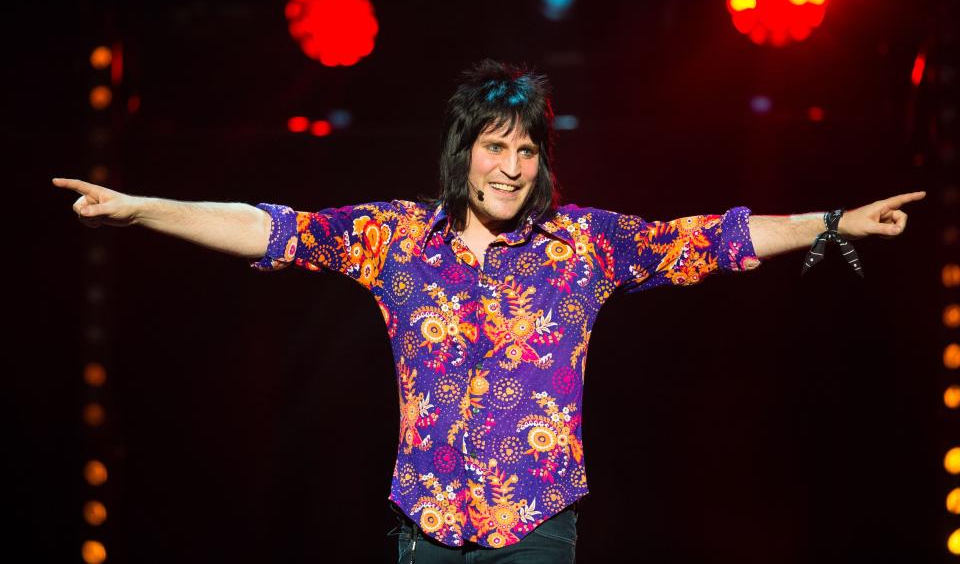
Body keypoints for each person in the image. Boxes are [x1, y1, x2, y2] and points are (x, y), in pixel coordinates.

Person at [53, 60, 925, 563]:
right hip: (424, 526)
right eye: (494, 146)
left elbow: (711, 238)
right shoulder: (395, 239)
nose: (510, 167)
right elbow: (269, 229)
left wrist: (833, 221)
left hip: (536, 526)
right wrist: (139, 207)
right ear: (462, 153)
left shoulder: (581, 246)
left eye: (526, 150)